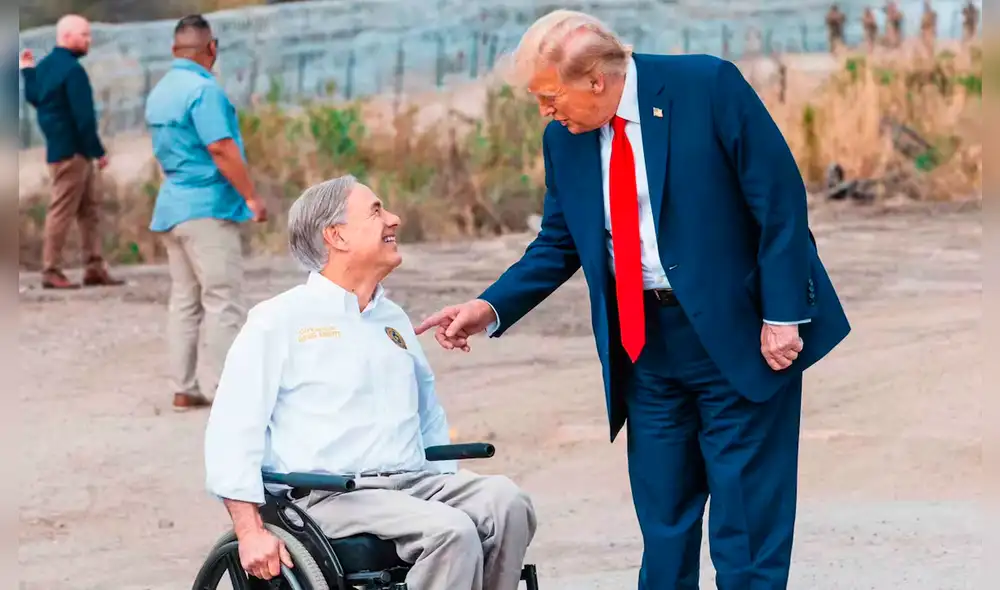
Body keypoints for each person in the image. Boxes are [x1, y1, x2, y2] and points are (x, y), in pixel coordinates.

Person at [416, 10, 850, 590]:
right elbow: (559, 241)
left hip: (741, 335)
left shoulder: (707, 87)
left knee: (746, 528)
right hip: (642, 347)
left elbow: (779, 203)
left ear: (595, 79)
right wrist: (489, 307)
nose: (546, 112)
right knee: (664, 523)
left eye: (550, 97)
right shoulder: (563, 139)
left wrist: (782, 314)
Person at [203, 175, 536, 588]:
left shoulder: (391, 318)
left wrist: (443, 481)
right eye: (377, 211)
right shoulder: (278, 320)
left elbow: (428, 414)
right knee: (450, 531)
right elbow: (232, 431)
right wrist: (249, 531)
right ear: (336, 236)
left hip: (413, 482)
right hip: (331, 496)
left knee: (508, 503)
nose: (393, 219)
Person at [145, 14, 268, 411]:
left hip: (172, 206)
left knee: (184, 299)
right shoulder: (204, 91)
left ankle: (184, 387)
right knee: (223, 299)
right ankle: (224, 389)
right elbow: (220, 148)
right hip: (207, 209)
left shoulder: (160, 92)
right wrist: (250, 196)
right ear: (211, 48)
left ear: (173, 50)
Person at [19, 14, 124, 290]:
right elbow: (84, 118)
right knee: (62, 210)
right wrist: (98, 151)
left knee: (90, 209)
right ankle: (51, 269)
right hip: (73, 153)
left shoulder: (45, 68)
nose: (89, 40)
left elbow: (34, 96)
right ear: (67, 37)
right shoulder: (73, 72)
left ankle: (94, 266)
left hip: (61, 150)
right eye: (84, 35)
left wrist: (27, 71)